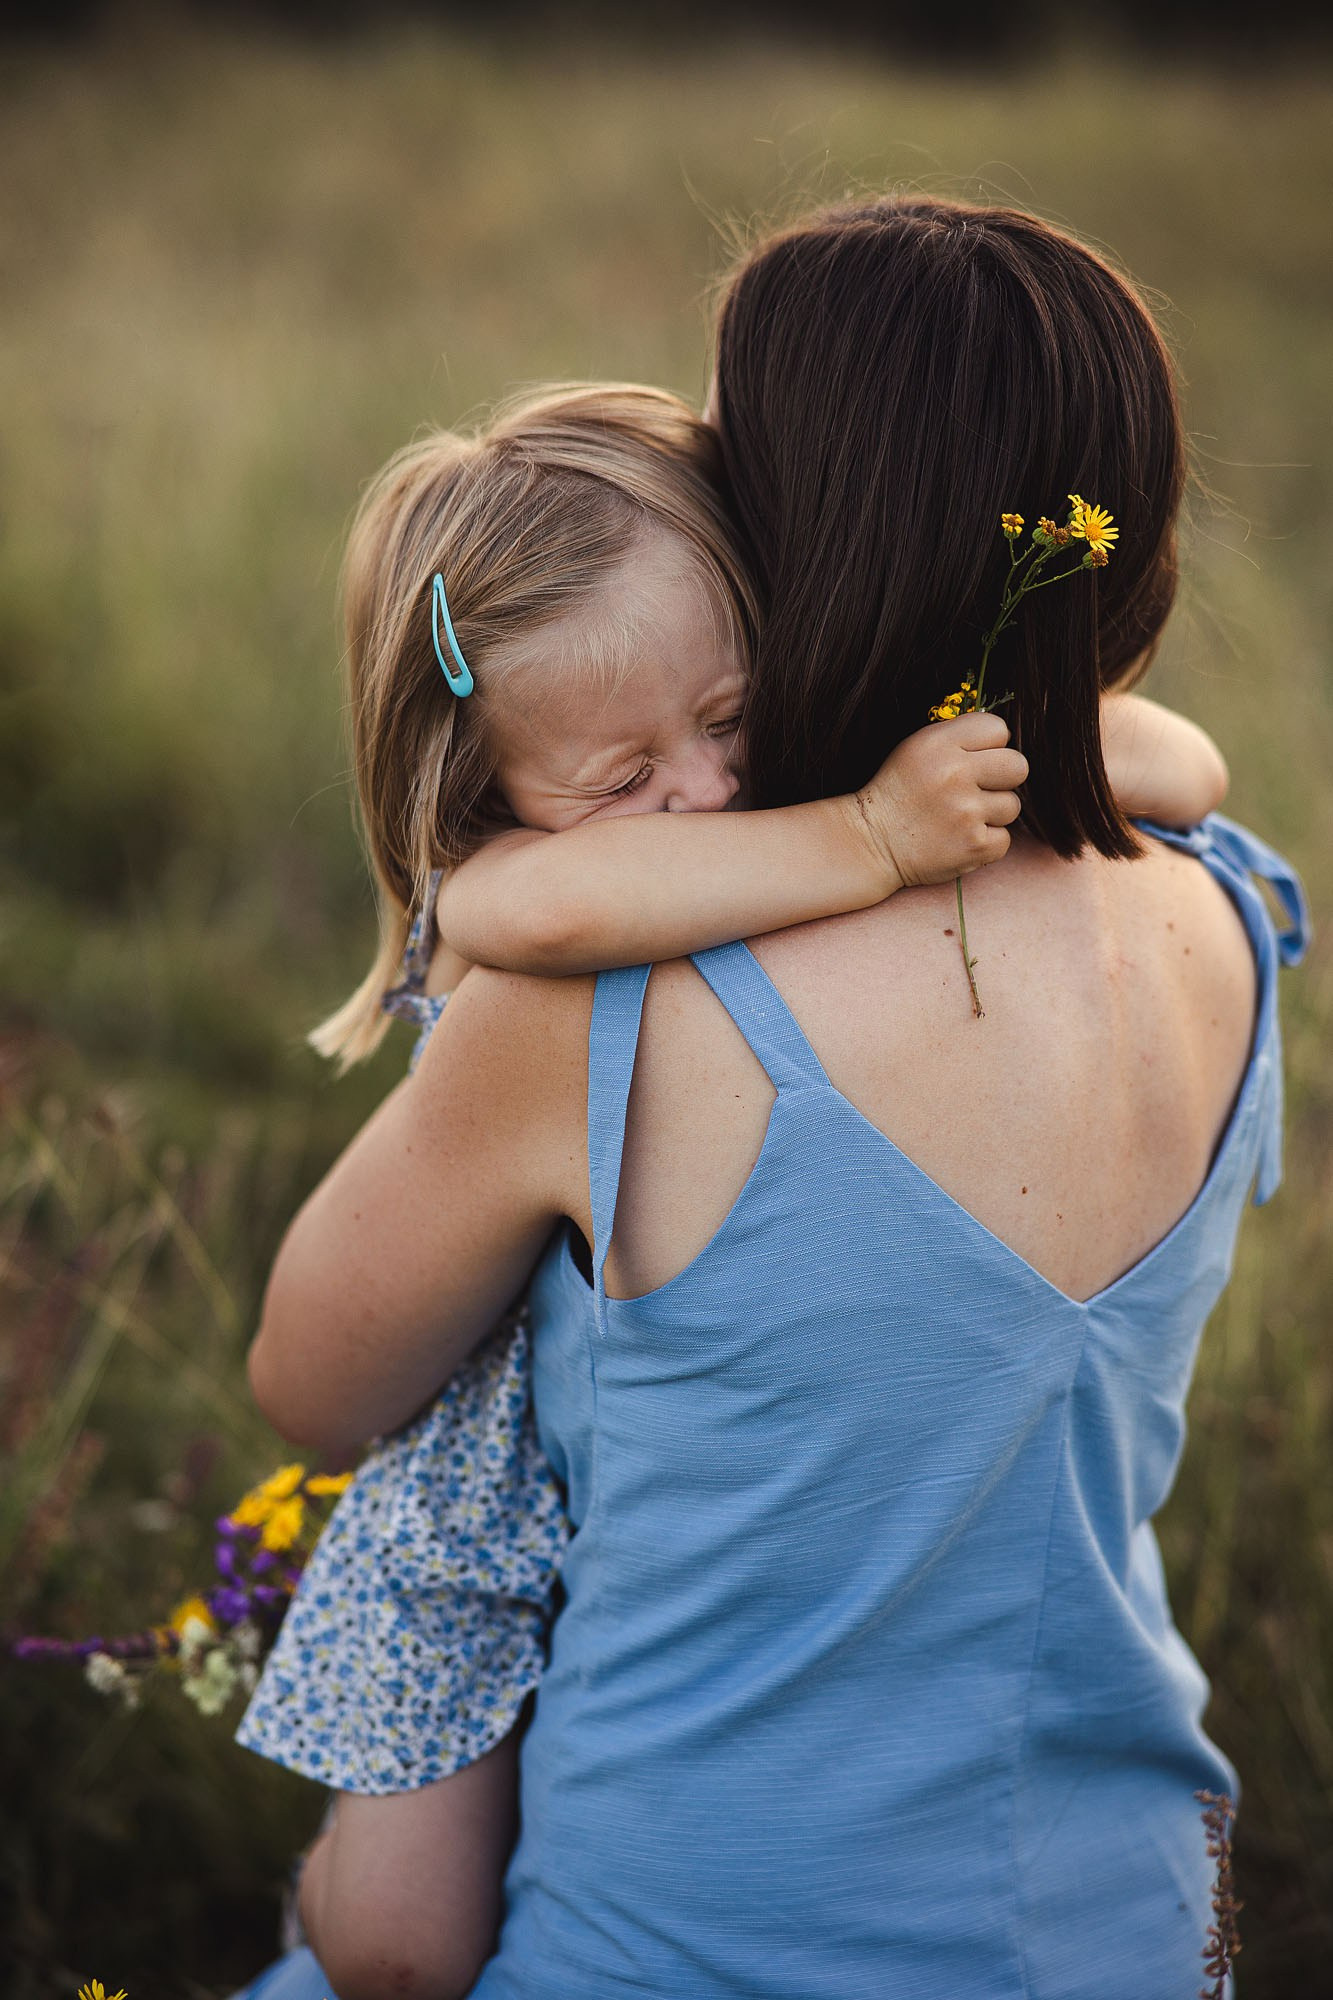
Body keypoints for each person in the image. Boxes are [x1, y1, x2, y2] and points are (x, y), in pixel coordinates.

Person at [238, 200, 1295, 2000]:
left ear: (808, 536)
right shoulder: (1231, 902)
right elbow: (1145, 754)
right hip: (1130, 1932)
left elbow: (313, 1385)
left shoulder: (609, 1002)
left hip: (683, 1951)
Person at [235, 376, 1051, 1994]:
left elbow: (1166, 752)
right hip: (471, 1478)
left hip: (658, 1489)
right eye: (620, 776)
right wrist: (877, 839)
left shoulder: (729, 796)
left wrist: (1024, 747)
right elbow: (528, 919)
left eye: (731, 716)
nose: (699, 790)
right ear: (477, 777)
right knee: (397, 1947)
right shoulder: (515, 889)